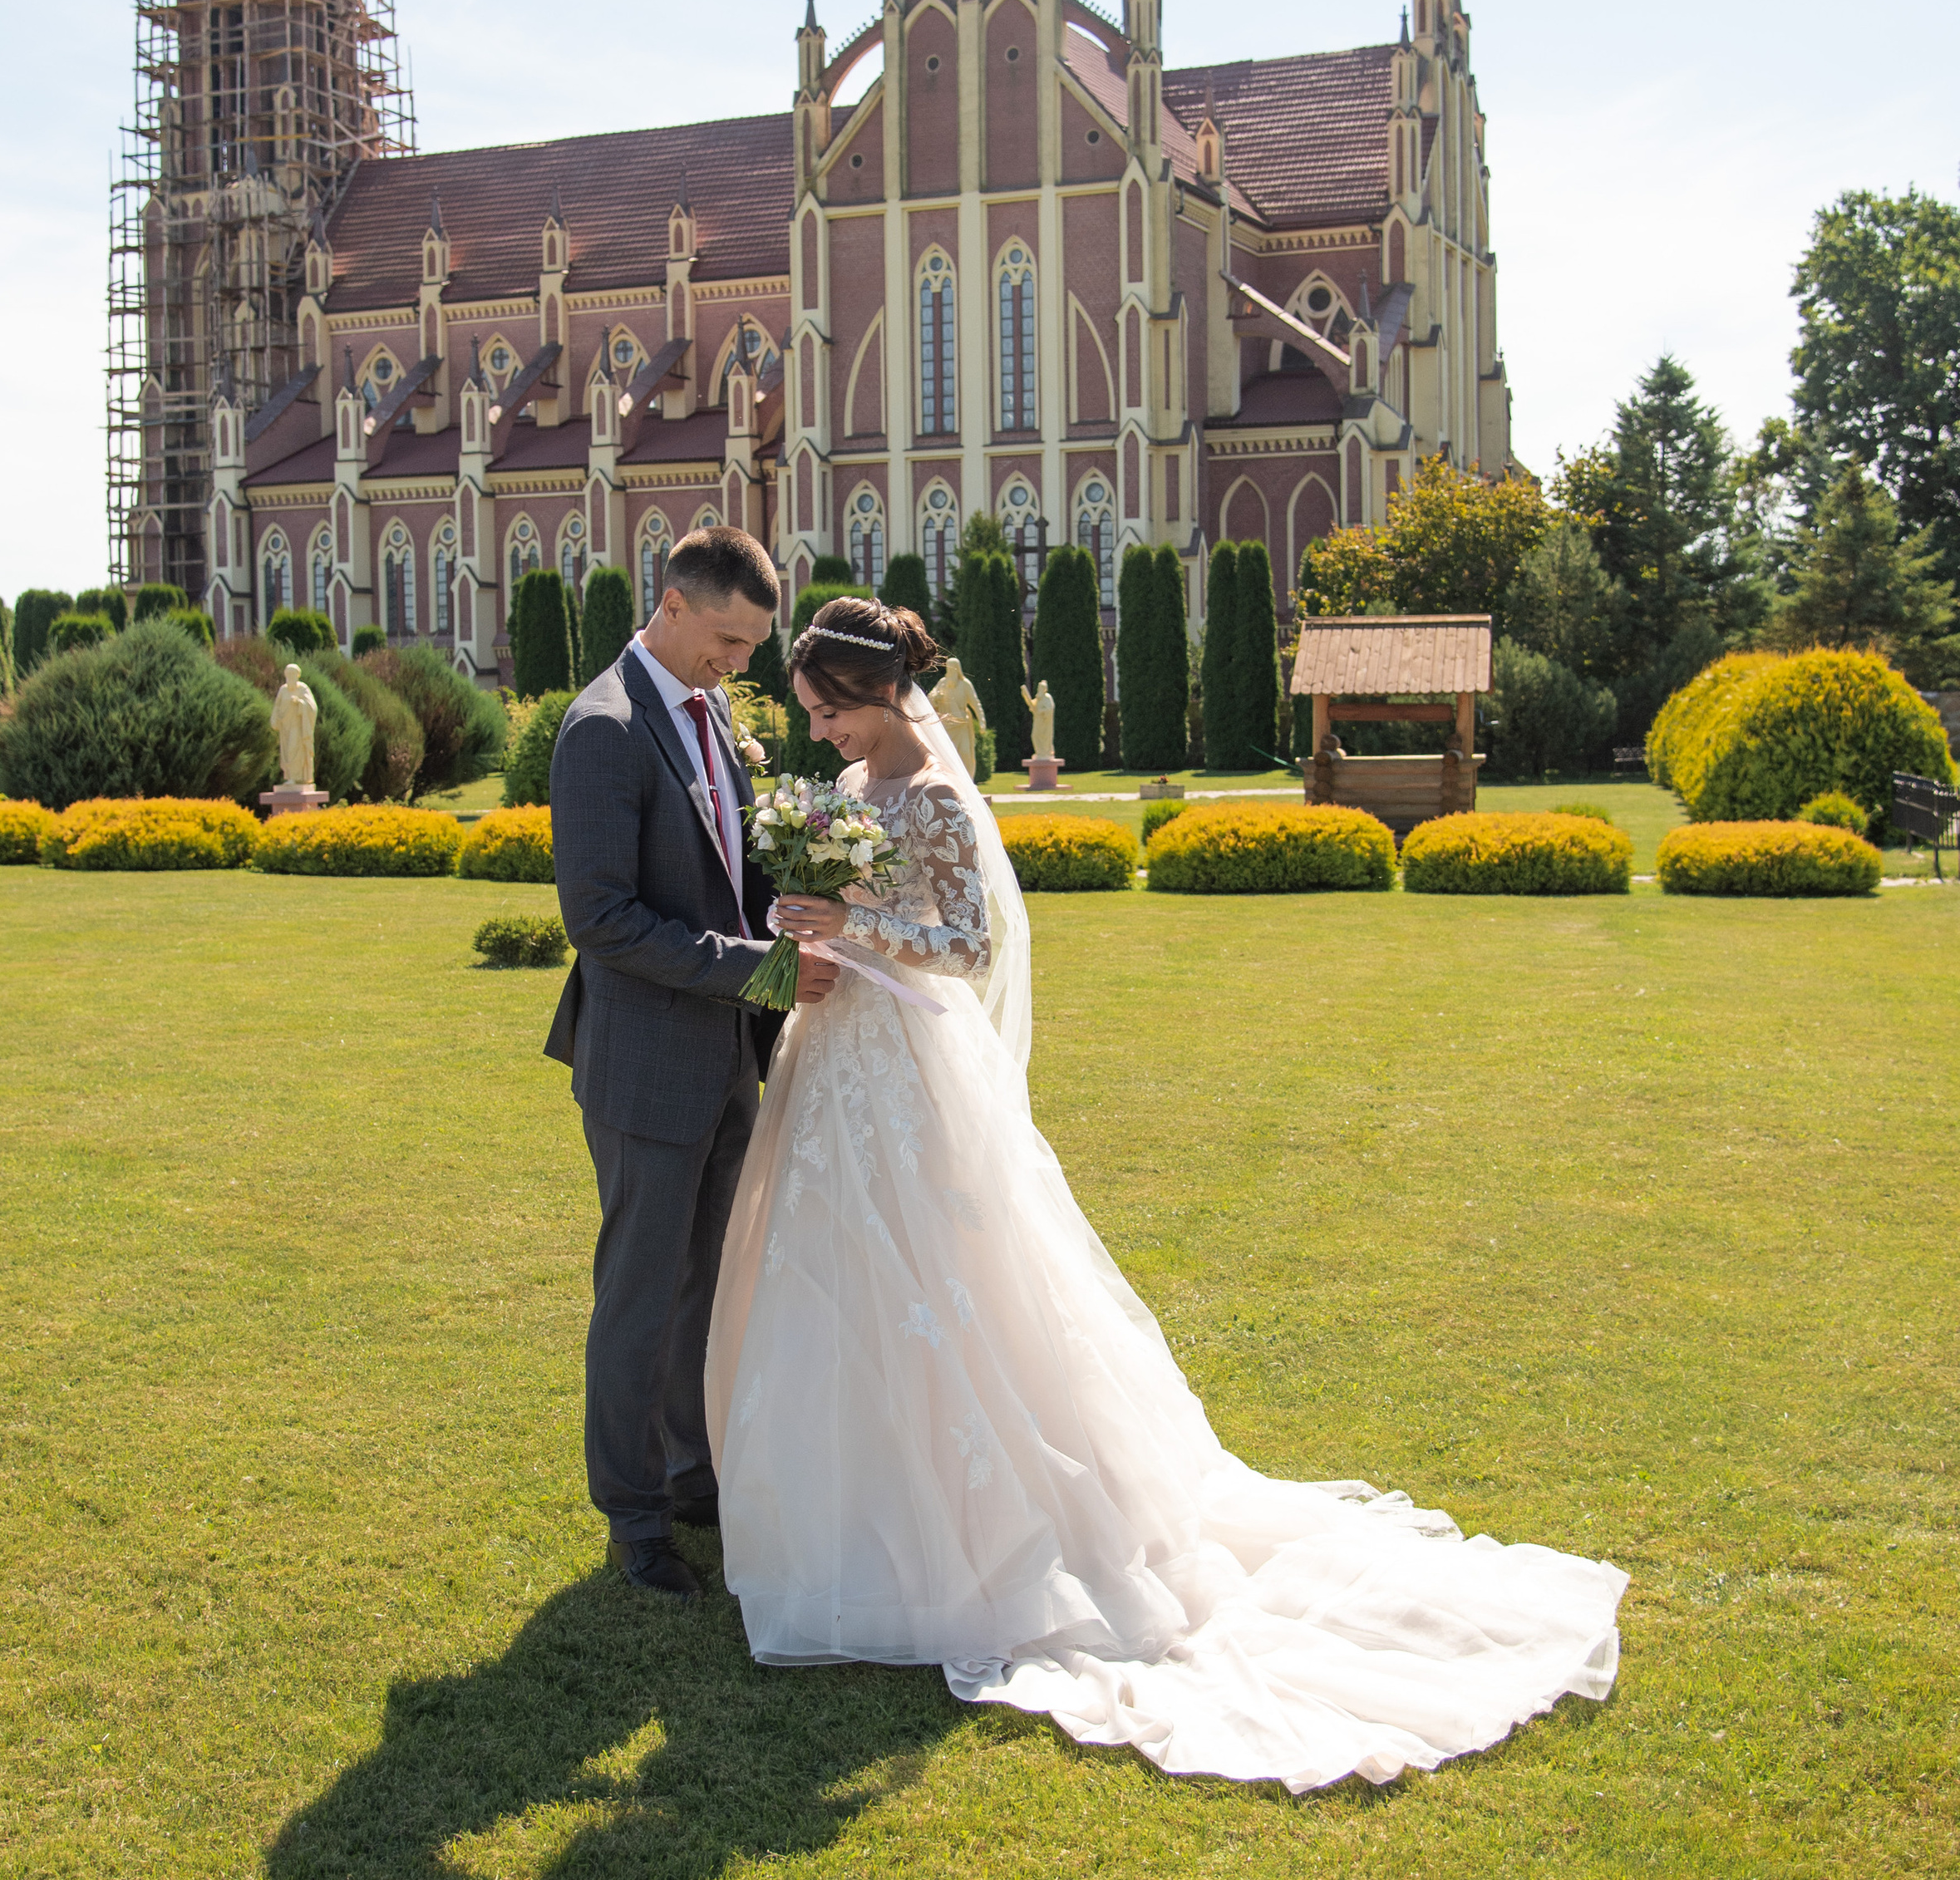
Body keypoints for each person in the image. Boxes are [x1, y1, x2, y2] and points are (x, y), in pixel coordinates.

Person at [704, 594, 1626, 1792]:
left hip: (906, 1072)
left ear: (880, 694)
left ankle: (979, 1535)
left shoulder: (928, 784)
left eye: (829, 708)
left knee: (940, 1285)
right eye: (811, 713)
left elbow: (971, 940)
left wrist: (856, 919)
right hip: (838, 1058)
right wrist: (811, 934)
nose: (819, 729)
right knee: (832, 1280)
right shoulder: (852, 781)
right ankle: (838, 1522)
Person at [546, 526, 837, 1602]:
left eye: (753, 644)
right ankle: (633, 1517)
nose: (740, 663)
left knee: (708, 1281)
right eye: (728, 638)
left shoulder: (711, 715)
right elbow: (604, 919)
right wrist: (762, 970)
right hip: (645, 1065)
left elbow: (726, 870)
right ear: (670, 606)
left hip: (725, 1059)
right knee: (639, 1292)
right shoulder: (603, 731)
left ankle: (687, 1466)